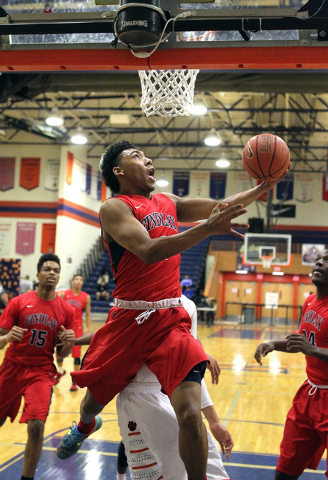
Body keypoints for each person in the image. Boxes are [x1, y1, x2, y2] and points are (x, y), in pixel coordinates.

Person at [56, 140, 285, 480]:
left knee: (190, 414)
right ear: (119, 171)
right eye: (138, 156)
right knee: (93, 400)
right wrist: (206, 229)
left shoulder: (168, 202)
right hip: (130, 318)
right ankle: (85, 425)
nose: (148, 160)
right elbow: (148, 250)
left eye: (146, 155)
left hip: (170, 319)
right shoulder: (114, 207)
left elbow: (221, 206)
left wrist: (263, 186)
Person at [73, 295, 233, 480]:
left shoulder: (187, 306)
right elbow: (107, 336)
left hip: (170, 394)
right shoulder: (127, 299)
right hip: (133, 395)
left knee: (208, 472)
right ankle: (84, 427)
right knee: (89, 405)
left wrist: (213, 421)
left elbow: (188, 370)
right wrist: (76, 343)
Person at [0, 253, 75, 480]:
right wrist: (6, 339)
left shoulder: (67, 311)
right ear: (38, 274)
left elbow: (62, 353)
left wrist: (69, 345)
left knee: (36, 426)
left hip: (41, 371)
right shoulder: (18, 302)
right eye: (48, 269)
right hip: (13, 366)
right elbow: (1, 336)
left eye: (56, 270)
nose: (52, 273)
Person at [254, 248, 328, 480]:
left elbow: (310, 347)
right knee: (286, 466)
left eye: (327, 261)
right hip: (309, 395)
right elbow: (302, 342)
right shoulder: (309, 302)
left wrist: (313, 350)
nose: (320, 263)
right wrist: (273, 344)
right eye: (318, 260)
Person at [56, 273, 92, 391]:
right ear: (72, 281)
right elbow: (58, 311)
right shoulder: (63, 294)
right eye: (76, 279)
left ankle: (74, 382)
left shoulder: (86, 296)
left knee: (76, 355)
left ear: (82, 282)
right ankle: (60, 371)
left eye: (80, 279)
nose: (78, 281)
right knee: (59, 354)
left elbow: (87, 315)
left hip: (77, 327)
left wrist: (89, 329)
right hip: (64, 326)